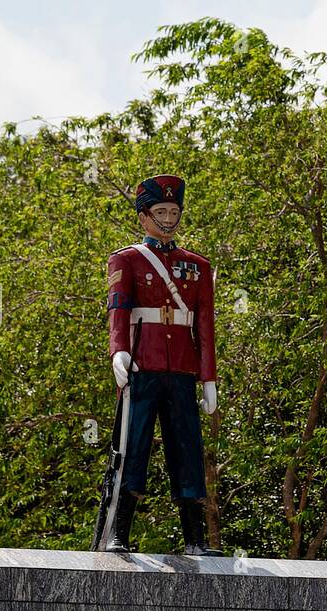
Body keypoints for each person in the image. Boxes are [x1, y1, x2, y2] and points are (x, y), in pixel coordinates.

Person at [103, 173, 223, 555]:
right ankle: (118, 534)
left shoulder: (198, 266)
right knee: (132, 446)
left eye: (174, 210)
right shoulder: (126, 260)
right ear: (143, 216)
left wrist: (208, 378)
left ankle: (195, 540)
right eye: (160, 211)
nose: (169, 218)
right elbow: (118, 310)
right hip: (142, 365)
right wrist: (118, 350)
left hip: (182, 371)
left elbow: (205, 325)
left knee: (187, 449)